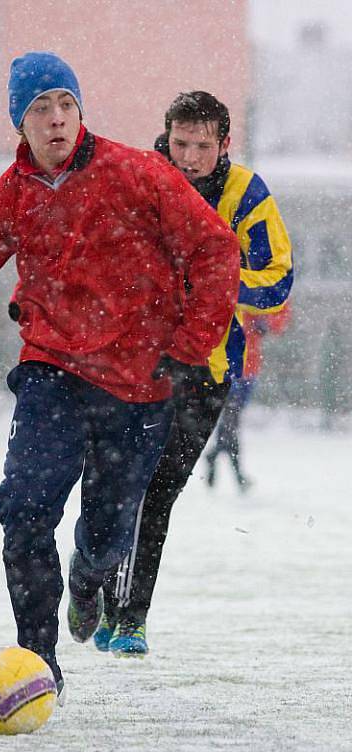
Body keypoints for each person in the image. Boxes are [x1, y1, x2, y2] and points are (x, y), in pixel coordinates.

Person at [0, 57, 240, 697]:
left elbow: (216, 247)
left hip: (139, 385)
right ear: (19, 123)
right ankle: (38, 658)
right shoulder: (10, 196)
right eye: (40, 109)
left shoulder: (140, 173)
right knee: (23, 509)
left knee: (106, 538)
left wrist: (192, 347)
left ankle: (89, 579)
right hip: (50, 371)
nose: (55, 119)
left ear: (81, 111)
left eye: (65, 105)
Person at [94, 91, 293, 658]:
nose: (188, 158)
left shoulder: (248, 195)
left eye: (202, 147)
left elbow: (277, 281)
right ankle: (93, 583)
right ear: (166, 136)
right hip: (131, 363)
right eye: (180, 144)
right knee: (112, 487)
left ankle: (130, 617)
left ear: (224, 145)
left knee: (157, 494)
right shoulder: (139, 178)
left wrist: (212, 289)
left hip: (206, 371)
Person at [206, 305, 291, 491]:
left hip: (250, 368)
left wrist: (265, 323)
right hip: (230, 367)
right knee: (231, 419)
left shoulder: (262, 290)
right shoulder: (238, 288)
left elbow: (280, 319)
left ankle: (215, 454)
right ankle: (237, 472)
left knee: (231, 421)